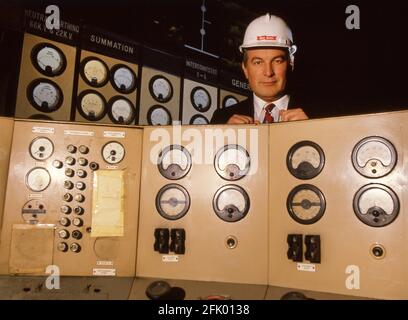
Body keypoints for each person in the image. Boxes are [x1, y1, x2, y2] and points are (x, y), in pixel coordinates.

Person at [211, 14, 308, 124]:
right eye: (258, 62)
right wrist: (226, 138)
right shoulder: (221, 119)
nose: (268, 72)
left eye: (277, 61)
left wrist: (312, 132)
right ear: (245, 69)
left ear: (291, 63)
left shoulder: (321, 116)